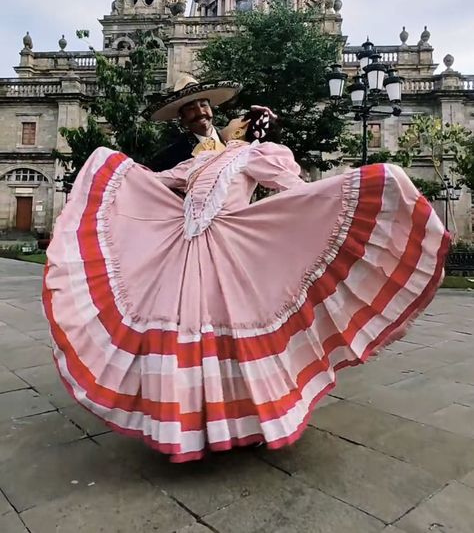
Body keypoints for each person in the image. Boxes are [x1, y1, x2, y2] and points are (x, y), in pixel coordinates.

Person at [43, 107, 450, 464]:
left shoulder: (254, 154)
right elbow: (159, 181)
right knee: (189, 336)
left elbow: (292, 188)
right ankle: (194, 422)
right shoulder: (199, 163)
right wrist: (119, 171)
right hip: (185, 251)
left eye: (237, 118)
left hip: (232, 246)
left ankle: (250, 417)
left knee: (234, 333)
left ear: (243, 130)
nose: (229, 119)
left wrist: (315, 205)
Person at [147, 74, 241, 171]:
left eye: (203, 105)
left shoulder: (233, 139)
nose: (200, 112)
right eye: (191, 109)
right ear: (182, 118)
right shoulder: (170, 156)